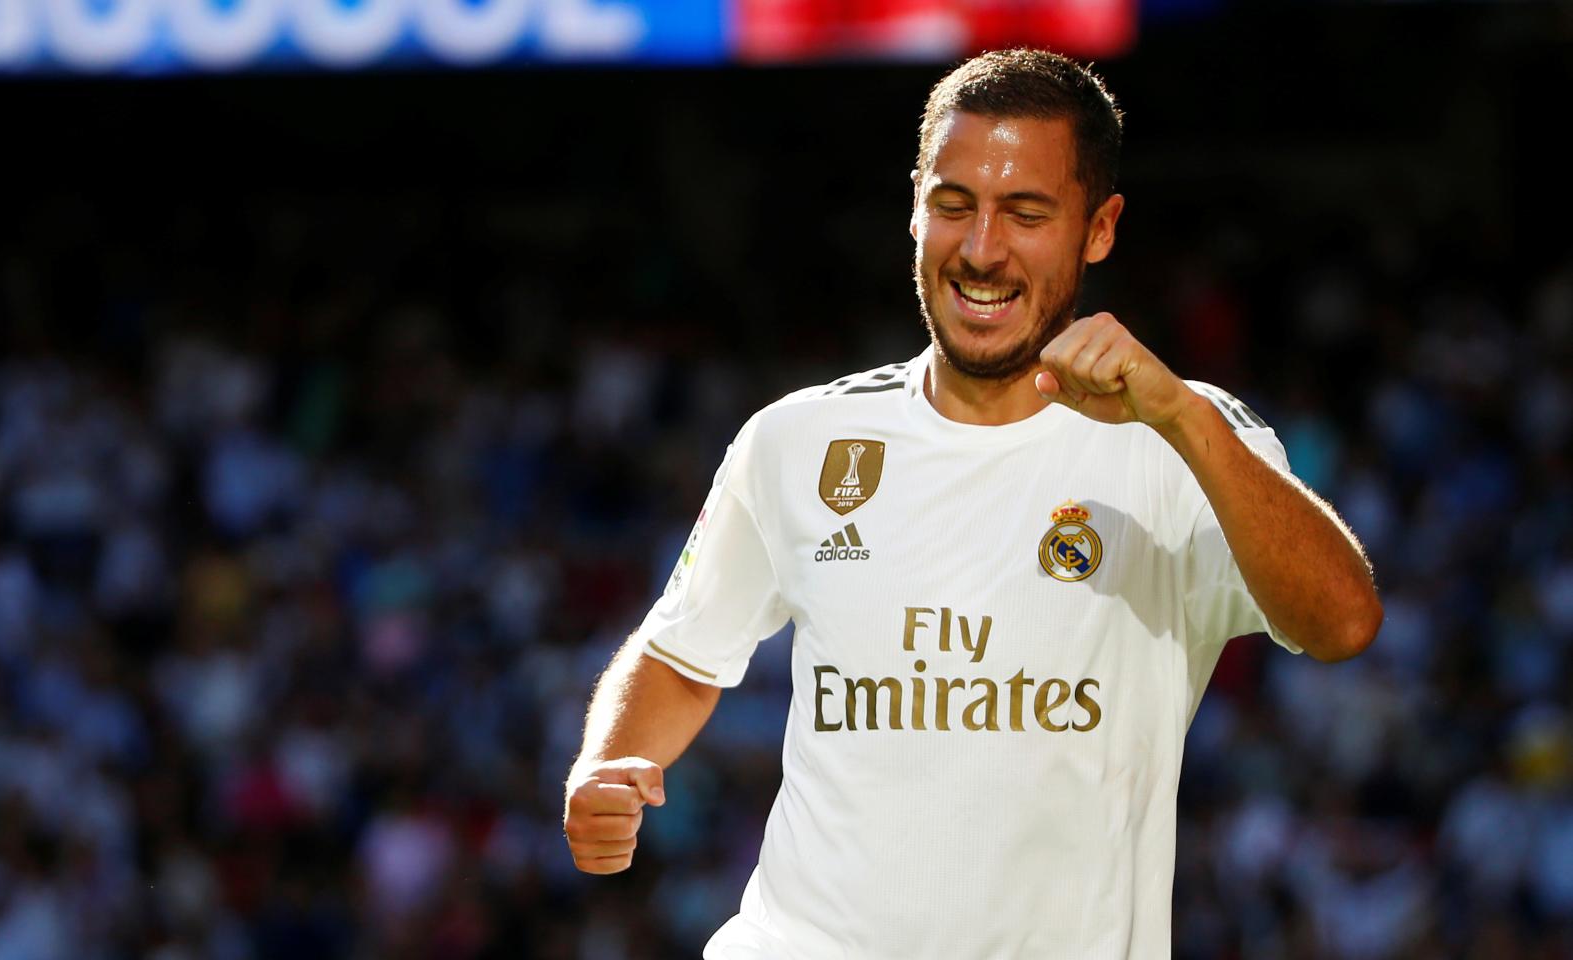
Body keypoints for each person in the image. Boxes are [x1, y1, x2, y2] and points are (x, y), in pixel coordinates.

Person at [563, 48, 1382, 959]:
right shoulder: (795, 441)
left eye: (1026, 214)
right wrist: (608, 762)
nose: (982, 249)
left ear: (1099, 228)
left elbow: (1342, 623)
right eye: (954, 205)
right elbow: (681, 654)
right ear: (914, 205)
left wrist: (1184, 420)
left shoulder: (1183, 440)